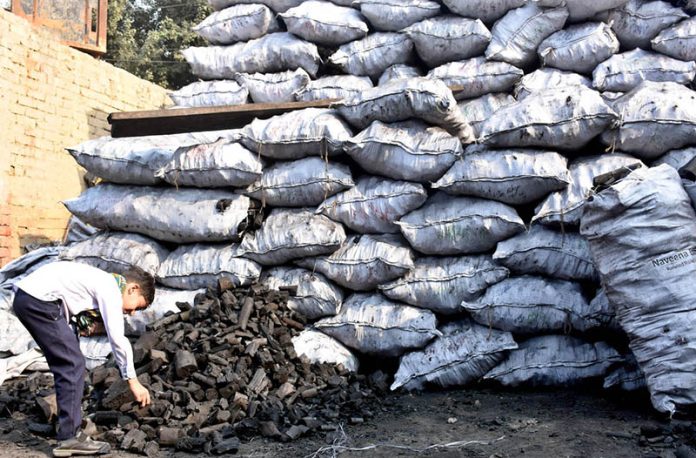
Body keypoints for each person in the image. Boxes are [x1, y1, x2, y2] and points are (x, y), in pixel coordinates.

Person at [12, 261, 155, 457]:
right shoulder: (111, 288)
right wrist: (133, 381)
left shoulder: (98, 281)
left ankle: (68, 426)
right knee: (72, 363)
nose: (131, 313)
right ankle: (69, 437)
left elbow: (71, 325)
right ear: (133, 289)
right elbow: (117, 339)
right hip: (39, 302)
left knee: (70, 361)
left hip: (29, 299)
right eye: (136, 307)